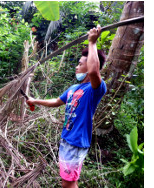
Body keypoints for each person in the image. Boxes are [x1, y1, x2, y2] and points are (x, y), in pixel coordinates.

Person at [25, 27, 107, 188]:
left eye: (80, 64)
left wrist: (92, 42)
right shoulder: (73, 88)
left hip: (76, 142)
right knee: (67, 181)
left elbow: (94, 71)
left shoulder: (95, 89)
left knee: (68, 184)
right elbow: (56, 101)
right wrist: (35, 101)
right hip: (67, 140)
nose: (77, 67)